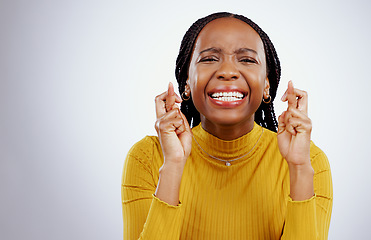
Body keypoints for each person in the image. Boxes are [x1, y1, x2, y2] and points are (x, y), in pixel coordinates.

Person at [122, 12, 333, 239]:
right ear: (186, 83)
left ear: (266, 85)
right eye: (210, 59)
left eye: (247, 60)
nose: (227, 72)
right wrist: (173, 165)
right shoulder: (148, 157)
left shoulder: (309, 161)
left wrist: (299, 169)